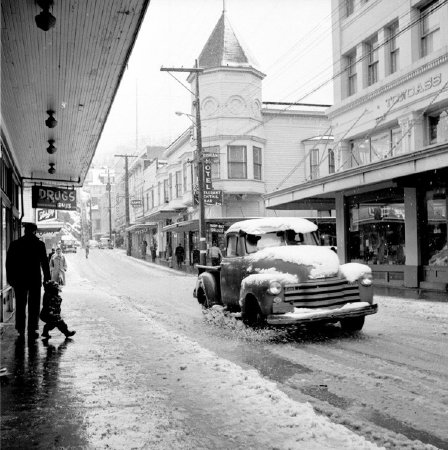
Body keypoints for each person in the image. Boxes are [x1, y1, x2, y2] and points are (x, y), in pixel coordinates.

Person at [6, 222, 51, 339]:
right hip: (34, 278)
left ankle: (20, 328)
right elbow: (45, 264)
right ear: (35, 231)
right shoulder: (39, 244)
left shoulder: (15, 244)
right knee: (34, 304)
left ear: (25, 231)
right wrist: (47, 279)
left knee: (20, 304)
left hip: (19, 279)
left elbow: (9, 263)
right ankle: (33, 328)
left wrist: (10, 279)